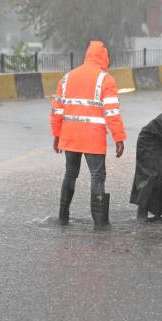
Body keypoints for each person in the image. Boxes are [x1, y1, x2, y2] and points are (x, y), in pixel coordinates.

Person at [50, 41, 126, 227]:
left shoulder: (67, 78)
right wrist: (119, 137)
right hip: (93, 139)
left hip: (70, 137)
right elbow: (111, 112)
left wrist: (57, 134)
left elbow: (57, 110)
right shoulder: (105, 79)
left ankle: (63, 216)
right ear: (104, 58)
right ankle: (99, 222)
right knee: (97, 177)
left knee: (70, 174)